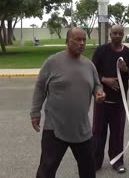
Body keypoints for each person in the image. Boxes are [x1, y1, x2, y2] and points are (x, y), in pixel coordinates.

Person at [30, 27, 106, 178]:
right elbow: (40, 87)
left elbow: (97, 84)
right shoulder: (52, 62)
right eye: (77, 39)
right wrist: (35, 112)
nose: (82, 43)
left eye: (84, 40)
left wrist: (99, 92)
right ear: (67, 41)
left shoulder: (89, 65)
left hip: (81, 129)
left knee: (88, 171)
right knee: (47, 169)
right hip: (55, 126)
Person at [91, 25, 129, 173]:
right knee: (98, 133)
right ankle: (95, 162)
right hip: (102, 100)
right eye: (114, 33)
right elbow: (91, 71)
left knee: (117, 133)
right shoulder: (101, 51)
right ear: (110, 34)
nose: (117, 36)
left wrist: (125, 69)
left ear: (123, 35)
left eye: (120, 33)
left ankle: (117, 161)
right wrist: (104, 79)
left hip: (119, 102)